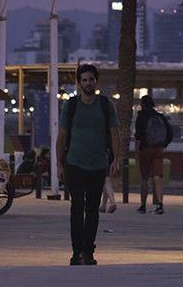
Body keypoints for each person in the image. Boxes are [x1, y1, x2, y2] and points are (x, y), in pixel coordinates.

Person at [57, 63, 120, 266]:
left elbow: (114, 133)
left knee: (92, 210)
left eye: (91, 79)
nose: (88, 83)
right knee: (76, 207)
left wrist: (115, 159)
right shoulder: (71, 106)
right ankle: (76, 252)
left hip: (98, 164)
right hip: (74, 163)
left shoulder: (106, 105)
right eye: (84, 80)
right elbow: (62, 136)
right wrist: (59, 165)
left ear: (96, 81)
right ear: (79, 83)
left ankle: (88, 251)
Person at [135, 95, 172, 215]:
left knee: (144, 178)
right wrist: (163, 145)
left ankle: (143, 206)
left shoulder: (141, 116)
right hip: (159, 149)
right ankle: (160, 204)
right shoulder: (160, 116)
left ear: (142, 104)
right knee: (157, 176)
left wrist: (137, 153)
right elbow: (170, 134)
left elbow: (138, 136)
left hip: (145, 149)